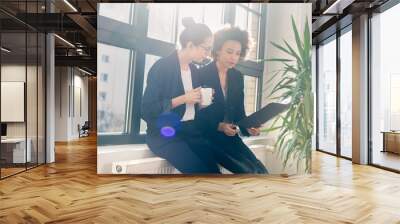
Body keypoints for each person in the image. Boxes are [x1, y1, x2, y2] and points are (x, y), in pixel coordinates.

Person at [141, 18, 220, 174]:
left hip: (190, 132)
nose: (208, 54)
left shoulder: (195, 71)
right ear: (190, 45)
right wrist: (183, 99)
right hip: (164, 135)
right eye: (206, 49)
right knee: (200, 172)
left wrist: (203, 101)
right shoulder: (162, 67)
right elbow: (147, 110)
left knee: (214, 172)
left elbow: (192, 109)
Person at [196, 27, 268, 174]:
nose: (234, 57)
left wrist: (248, 127)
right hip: (207, 137)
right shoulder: (200, 75)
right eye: (229, 52)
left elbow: (239, 114)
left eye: (237, 53)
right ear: (217, 50)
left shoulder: (237, 77)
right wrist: (220, 126)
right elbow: (195, 116)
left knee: (261, 171)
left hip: (230, 138)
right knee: (248, 173)